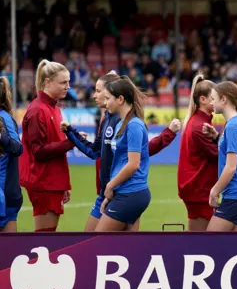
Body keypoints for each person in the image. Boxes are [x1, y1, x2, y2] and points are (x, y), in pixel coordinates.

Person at [63, 71, 180, 231]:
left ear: (117, 96)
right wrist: (71, 133)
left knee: (100, 243)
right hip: (111, 191)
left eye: (99, 91)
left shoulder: (129, 122)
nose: (96, 96)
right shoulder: (109, 119)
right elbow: (95, 151)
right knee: (112, 245)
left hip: (126, 191)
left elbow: (138, 156)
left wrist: (168, 134)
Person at [19, 60, 75, 232]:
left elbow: (54, 148)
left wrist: (63, 183)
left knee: (48, 239)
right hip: (43, 183)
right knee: (44, 241)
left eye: (68, 82)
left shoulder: (54, 108)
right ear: (48, 82)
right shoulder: (37, 110)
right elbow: (39, 152)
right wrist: (71, 142)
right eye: (63, 82)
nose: (68, 86)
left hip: (52, 182)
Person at [95, 76, 151, 231]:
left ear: (120, 99)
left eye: (108, 98)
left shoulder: (134, 125)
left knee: (98, 242)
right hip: (124, 192)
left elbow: (133, 164)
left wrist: (110, 186)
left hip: (132, 193)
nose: (105, 103)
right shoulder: (121, 123)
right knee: (127, 248)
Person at [205, 81, 237, 231]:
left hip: (236, 194)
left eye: (214, 99)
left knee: (207, 245)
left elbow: (231, 167)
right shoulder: (234, 124)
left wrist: (214, 191)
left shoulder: (233, 126)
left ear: (224, 99)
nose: (211, 103)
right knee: (234, 248)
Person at [178, 74, 219, 231]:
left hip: (197, 188)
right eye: (214, 98)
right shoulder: (199, 126)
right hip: (199, 189)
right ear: (203, 99)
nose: (218, 101)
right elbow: (218, 155)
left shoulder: (199, 121)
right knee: (200, 243)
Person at [0, 77, 23, 232]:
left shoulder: (4, 118)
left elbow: (17, 148)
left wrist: (1, 136)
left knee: (7, 251)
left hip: (5, 193)